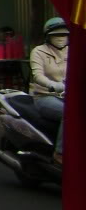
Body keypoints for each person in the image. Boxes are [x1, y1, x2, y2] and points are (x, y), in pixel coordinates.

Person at [29, 17, 68, 164]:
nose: (60, 38)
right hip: (45, 96)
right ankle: (60, 153)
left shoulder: (73, 51)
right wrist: (53, 84)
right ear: (48, 36)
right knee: (70, 113)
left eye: (64, 35)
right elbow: (37, 75)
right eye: (56, 35)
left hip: (69, 96)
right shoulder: (39, 51)